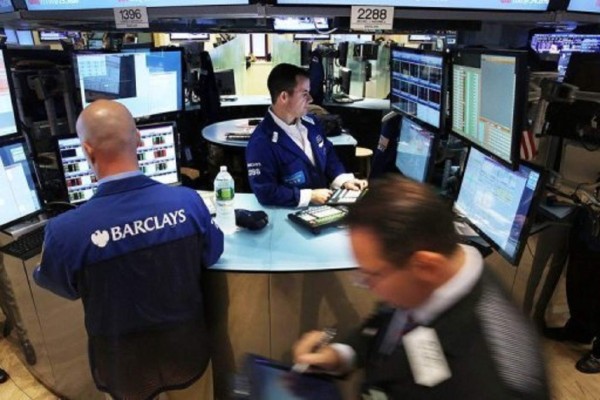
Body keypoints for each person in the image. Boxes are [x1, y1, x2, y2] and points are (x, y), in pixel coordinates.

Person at [293, 176, 550, 399]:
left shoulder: (496, 381)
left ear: (426, 266)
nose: (365, 285)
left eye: (373, 275)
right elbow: (388, 324)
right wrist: (341, 355)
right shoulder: (431, 274)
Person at [33, 100, 224, 400]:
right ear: (138, 139)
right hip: (187, 355)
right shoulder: (188, 203)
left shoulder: (63, 232)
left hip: (123, 369)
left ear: (87, 151)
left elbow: (60, 286)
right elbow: (212, 254)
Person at [245, 63, 367, 207]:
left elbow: (328, 154)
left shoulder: (312, 123)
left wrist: (343, 180)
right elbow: (266, 192)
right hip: (288, 213)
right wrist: (309, 196)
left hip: (322, 208)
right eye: (304, 94)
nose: (310, 99)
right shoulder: (261, 142)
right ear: (284, 97)